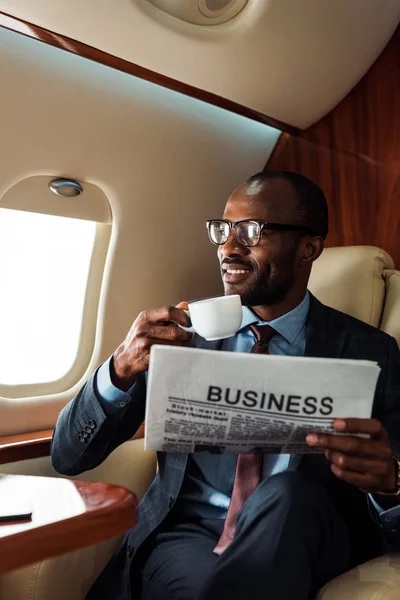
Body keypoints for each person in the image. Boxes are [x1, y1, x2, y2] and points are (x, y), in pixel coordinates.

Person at [51, 171, 400, 600]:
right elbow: (67, 456)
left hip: (299, 536)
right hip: (188, 535)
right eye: (223, 230)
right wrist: (120, 368)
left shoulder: (370, 350)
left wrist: (390, 483)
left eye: (252, 232)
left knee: (288, 494)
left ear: (309, 248)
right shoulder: (179, 332)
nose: (229, 248)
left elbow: (393, 481)